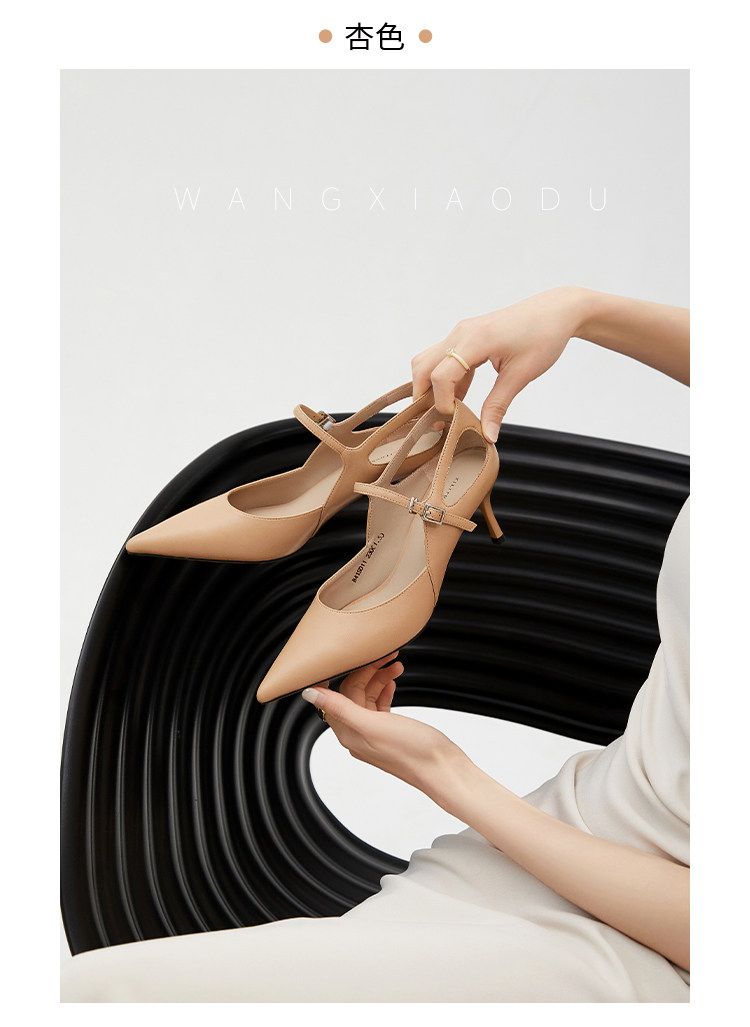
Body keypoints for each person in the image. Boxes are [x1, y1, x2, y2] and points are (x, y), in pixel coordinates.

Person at [61, 286, 690, 1002]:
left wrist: (446, 774)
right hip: (552, 834)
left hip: (641, 947)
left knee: (101, 994)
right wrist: (580, 310)